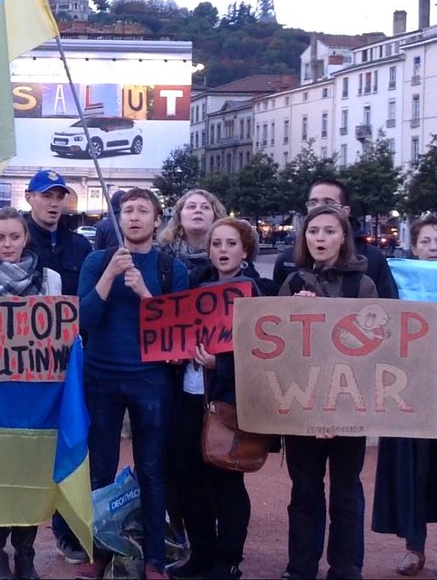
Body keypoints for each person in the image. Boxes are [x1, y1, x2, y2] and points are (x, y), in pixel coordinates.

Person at [72, 188, 189, 580]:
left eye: (143, 211)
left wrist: (144, 293)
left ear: (157, 220)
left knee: (152, 469)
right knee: (100, 469)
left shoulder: (173, 269)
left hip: (151, 380)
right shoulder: (97, 261)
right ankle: (98, 550)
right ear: (118, 219)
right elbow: (84, 319)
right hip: (101, 375)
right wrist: (109, 276)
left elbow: (176, 329)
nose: (134, 217)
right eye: (127, 211)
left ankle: (154, 557)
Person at [0, 207, 62, 580]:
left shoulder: (50, 279)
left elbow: (57, 334)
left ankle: (26, 554)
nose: (7, 245)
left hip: (34, 397)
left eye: (14, 237)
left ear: (25, 238)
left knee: (30, 473)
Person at [278, 205, 378, 580]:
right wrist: (291, 314)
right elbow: (278, 351)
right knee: (304, 490)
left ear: (342, 238)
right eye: (313, 231)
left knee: (346, 493)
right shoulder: (292, 284)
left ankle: (345, 567)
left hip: (349, 406)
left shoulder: (362, 285)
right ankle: (300, 567)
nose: (320, 238)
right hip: (302, 404)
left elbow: (376, 348)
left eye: (328, 231)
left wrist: (338, 414)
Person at [373, 215, 437, 580]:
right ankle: (413, 549)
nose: (433, 248)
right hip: (410, 394)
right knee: (414, 473)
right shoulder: (399, 280)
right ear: (413, 248)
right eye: (426, 242)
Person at [167, 219, 262, 580]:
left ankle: (229, 560)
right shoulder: (195, 285)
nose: (222, 250)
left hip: (229, 400)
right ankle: (201, 554)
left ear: (245, 250)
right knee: (188, 479)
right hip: (190, 396)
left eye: (231, 244)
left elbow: (262, 352)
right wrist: (177, 353)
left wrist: (219, 363)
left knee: (228, 480)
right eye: (216, 244)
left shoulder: (255, 291)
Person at [21, 169, 92, 562]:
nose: (53, 202)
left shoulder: (80, 247)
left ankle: (68, 529)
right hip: (24, 364)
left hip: (71, 362)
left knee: (72, 439)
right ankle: (17, 536)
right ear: (30, 198)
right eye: (46, 195)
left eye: (59, 196)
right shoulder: (16, 240)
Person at [273, 179, 397, 300]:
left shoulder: (372, 259)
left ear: (345, 211)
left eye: (328, 203)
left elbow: (387, 308)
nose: (318, 208)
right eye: (313, 203)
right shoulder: (288, 261)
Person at [156, 189, 227, 275]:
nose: (198, 210)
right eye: (191, 207)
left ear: (215, 218)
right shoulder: (161, 254)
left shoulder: (228, 254)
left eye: (205, 207)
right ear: (179, 217)